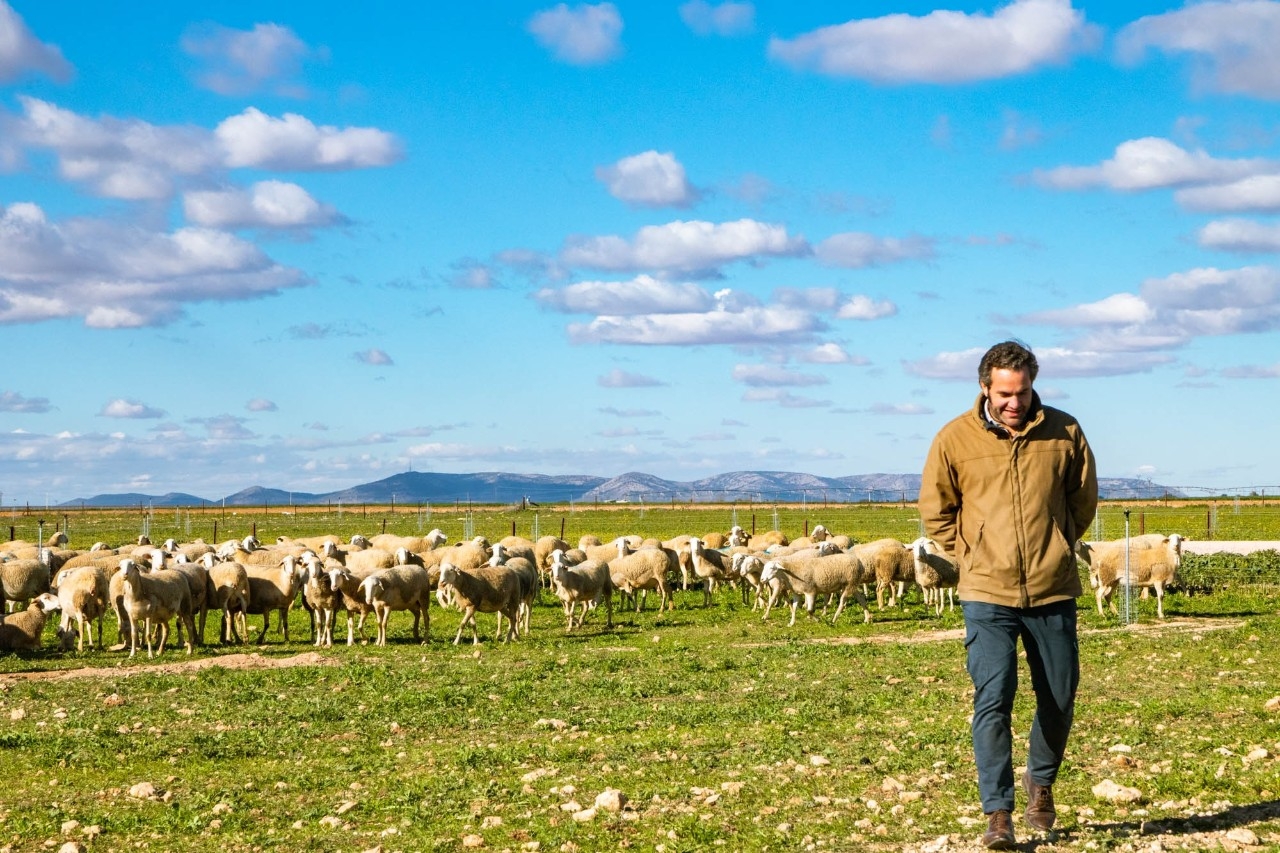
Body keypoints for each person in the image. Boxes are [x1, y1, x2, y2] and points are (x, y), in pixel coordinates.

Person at [919, 340, 1097, 850]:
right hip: (987, 592)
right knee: (993, 698)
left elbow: (1081, 500)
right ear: (984, 388)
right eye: (1003, 393)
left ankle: (1040, 781)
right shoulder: (954, 438)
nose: (1013, 403)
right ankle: (998, 812)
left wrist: (1058, 542)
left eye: (1021, 392)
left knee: (1059, 697)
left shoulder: (1064, 431)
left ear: (1032, 385)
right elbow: (937, 510)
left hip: (1051, 588)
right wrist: (972, 553)